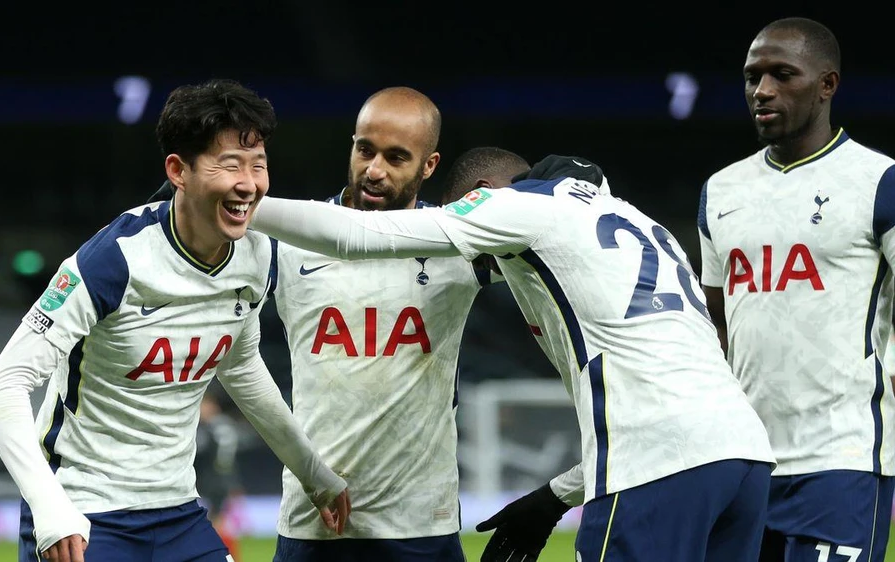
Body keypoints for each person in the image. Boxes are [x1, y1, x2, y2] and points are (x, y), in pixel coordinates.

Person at [246, 146, 778, 562]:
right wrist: (555, 497)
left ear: (480, 195)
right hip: (746, 458)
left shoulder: (513, 207)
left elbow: (360, 234)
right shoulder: (641, 221)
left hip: (658, 468)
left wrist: (234, 198)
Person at [0, 78, 350, 562]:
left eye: (258, 165)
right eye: (229, 164)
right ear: (178, 170)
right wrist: (49, 506)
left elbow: (240, 368)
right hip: (84, 514)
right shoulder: (112, 260)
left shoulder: (257, 254)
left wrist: (313, 472)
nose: (249, 183)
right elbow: (4, 385)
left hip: (178, 512)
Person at [150, 86, 504, 562]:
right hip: (313, 523)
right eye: (365, 150)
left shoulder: (459, 243)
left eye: (397, 157)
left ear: (430, 166)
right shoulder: (290, 240)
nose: (374, 170)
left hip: (422, 523)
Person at [697, 17, 895, 562]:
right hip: (744, 461)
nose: (762, 91)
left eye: (782, 75)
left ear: (826, 84)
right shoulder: (720, 190)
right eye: (752, 77)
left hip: (842, 458)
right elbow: (716, 322)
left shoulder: (879, 181)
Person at [194, 389, 244, 560]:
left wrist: (230, 483)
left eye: (204, 405)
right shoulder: (213, 426)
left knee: (215, 524)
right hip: (207, 482)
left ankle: (225, 556)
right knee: (214, 524)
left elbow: (223, 459)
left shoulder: (217, 427)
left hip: (215, 482)